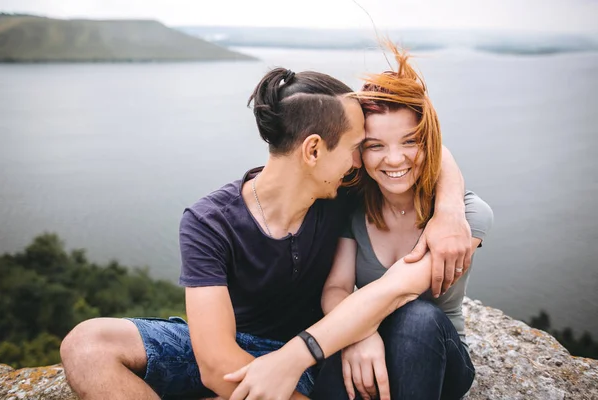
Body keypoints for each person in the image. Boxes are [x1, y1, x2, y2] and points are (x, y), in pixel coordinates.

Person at [60, 66, 472, 400]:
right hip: (240, 350)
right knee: (87, 343)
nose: (361, 161)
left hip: (318, 354)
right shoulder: (209, 221)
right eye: (356, 147)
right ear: (313, 151)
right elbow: (219, 366)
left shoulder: (343, 190)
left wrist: (451, 209)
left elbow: (423, 151)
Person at [222, 44, 492, 400]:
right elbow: (336, 289)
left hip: (437, 354)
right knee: (342, 342)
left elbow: (399, 289)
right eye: (375, 145)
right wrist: (359, 334)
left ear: (428, 141)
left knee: (417, 315)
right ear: (358, 150)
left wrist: (293, 358)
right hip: (370, 343)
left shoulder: (466, 216)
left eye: (410, 141)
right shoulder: (353, 201)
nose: (394, 159)